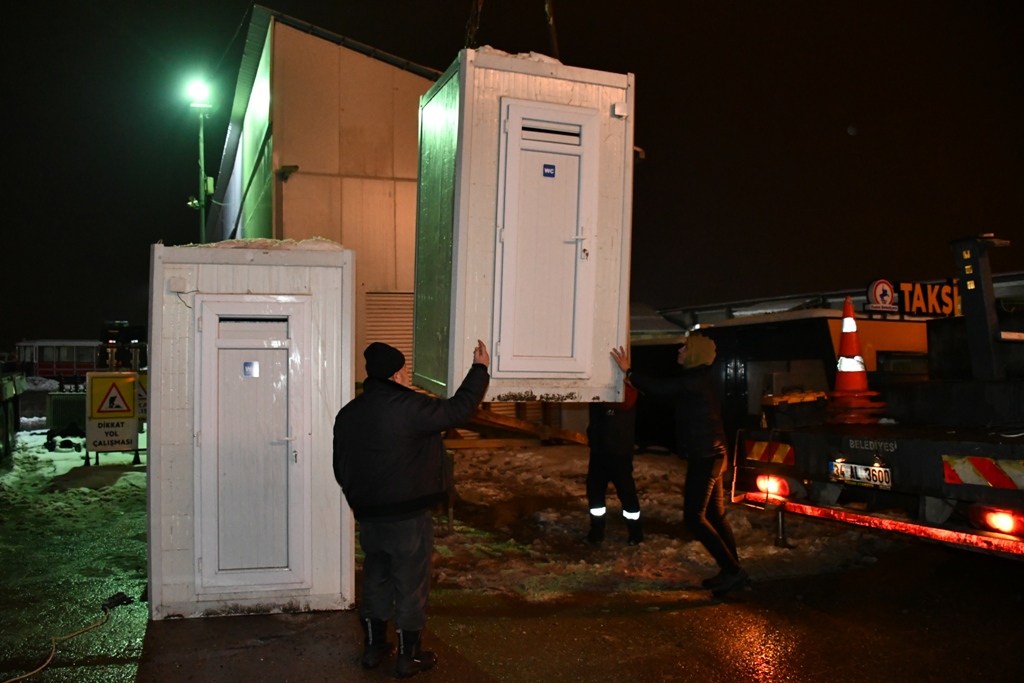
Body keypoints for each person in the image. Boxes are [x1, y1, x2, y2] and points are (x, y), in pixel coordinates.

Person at [333, 340, 490, 677]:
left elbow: (340, 466)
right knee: (411, 583)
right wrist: (479, 369)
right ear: (397, 373)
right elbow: (459, 410)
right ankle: (410, 655)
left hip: (370, 516)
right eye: (403, 369)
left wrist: (360, 499)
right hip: (408, 516)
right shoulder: (409, 406)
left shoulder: (348, 414)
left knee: (376, 577)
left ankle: (374, 648)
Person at [610, 336, 747, 597]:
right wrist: (634, 381)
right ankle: (732, 568)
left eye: (685, 347)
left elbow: (661, 388)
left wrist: (629, 371)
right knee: (715, 515)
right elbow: (664, 391)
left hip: (705, 457)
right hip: (712, 454)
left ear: (695, 353)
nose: (680, 350)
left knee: (694, 518)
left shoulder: (696, 379)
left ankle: (733, 571)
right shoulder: (700, 378)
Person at [585, 379, 643, 545]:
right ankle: (596, 530)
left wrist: (599, 395)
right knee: (595, 493)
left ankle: (636, 532)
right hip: (599, 450)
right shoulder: (597, 386)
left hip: (619, 452)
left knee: (626, 493)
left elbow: (625, 402)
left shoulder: (626, 385)